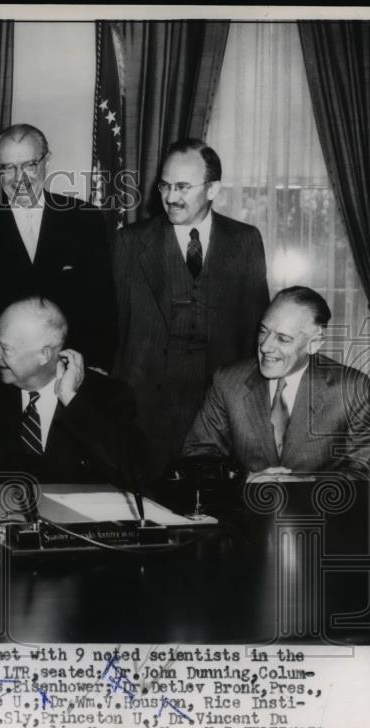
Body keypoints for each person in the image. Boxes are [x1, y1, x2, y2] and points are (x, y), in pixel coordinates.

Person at [111, 137, 270, 481]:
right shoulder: (129, 242)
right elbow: (115, 329)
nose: (170, 197)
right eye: (165, 186)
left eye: (183, 187)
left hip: (219, 418)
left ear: (212, 189)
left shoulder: (245, 241)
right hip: (145, 417)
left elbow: (255, 331)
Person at [0, 123, 116, 381]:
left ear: (48, 161)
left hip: (67, 372)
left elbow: (102, 302)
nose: (19, 177)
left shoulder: (85, 219)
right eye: (8, 167)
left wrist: (98, 362)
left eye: (29, 165)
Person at [0, 297, 144, 485]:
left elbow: (134, 472)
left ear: (44, 354)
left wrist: (72, 400)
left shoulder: (107, 395)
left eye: (5, 348)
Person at [183, 287, 370, 480]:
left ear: (314, 344)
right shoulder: (227, 381)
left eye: (283, 339)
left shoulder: (353, 389)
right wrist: (244, 479)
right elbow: (196, 455)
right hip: (245, 508)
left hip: (319, 509)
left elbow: (367, 472)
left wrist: (306, 486)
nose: (265, 347)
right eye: (263, 331)